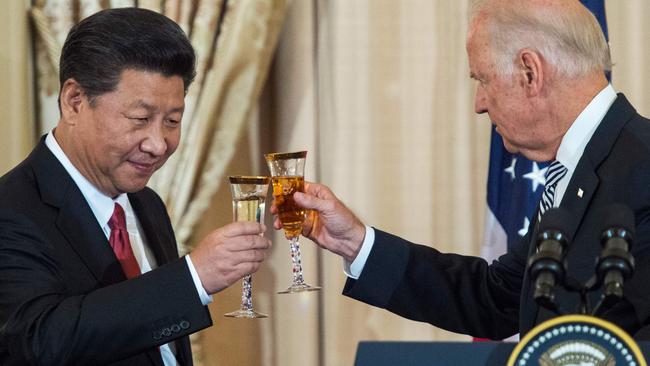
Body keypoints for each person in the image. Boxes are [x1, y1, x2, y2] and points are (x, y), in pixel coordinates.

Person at [272, 0, 650, 340]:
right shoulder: (575, 166)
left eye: (483, 79)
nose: (479, 104)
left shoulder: (642, 164)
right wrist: (353, 241)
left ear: (530, 72)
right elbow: (499, 298)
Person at [0, 8, 271, 366]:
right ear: (74, 101)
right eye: (140, 119)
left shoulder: (147, 204)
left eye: (173, 121)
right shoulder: (12, 210)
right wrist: (192, 278)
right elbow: (39, 341)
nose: (158, 144)